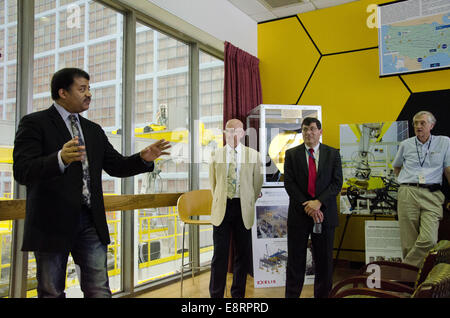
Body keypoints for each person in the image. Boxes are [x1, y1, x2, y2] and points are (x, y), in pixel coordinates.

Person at [13, 68, 170, 298]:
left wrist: (142, 159)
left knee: (99, 289)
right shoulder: (35, 123)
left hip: (90, 221)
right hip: (51, 221)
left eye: (89, 88)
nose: (89, 94)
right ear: (63, 92)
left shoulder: (93, 130)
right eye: (82, 89)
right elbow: (23, 170)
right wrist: (60, 159)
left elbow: (116, 165)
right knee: (51, 291)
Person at [284, 117, 342, 298]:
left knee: (324, 262)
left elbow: (337, 183)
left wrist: (318, 203)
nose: (308, 132)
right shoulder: (292, 154)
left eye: (312, 129)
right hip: (299, 215)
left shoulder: (332, 154)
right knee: (295, 261)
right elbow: (289, 184)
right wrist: (308, 205)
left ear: (320, 132)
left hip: (324, 215)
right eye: (304, 129)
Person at [208, 118, 263, 298]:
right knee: (220, 255)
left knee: (243, 254)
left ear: (243, 133)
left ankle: (237, 296)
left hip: (243, 208)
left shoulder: (254, 155)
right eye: (229, 131)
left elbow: (256, 185)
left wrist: (247, 200)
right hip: (223, 207)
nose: (232, 134)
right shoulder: (215, 155)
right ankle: (216, 295)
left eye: (236, 131)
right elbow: (213, 185)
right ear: (225, 134)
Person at [392, 111, 450, 268]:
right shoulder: (406, 144)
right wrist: (404, 183)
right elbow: (396, 166)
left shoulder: (444, 142)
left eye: (422, 123)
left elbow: (448, 169)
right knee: (408, 242)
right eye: (415, 123)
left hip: (432, 194)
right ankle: (412, 285)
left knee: (429, 240)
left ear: (431, 125)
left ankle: (404, 271)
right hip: (408, 192)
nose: (418, 126)